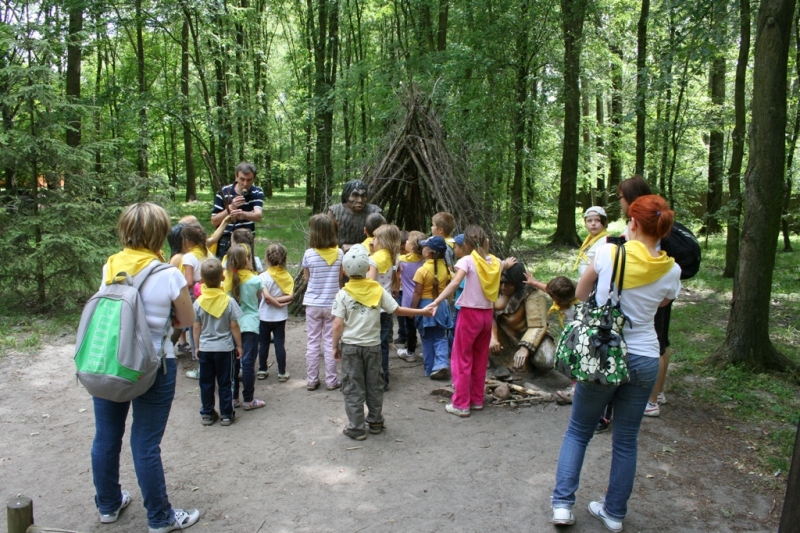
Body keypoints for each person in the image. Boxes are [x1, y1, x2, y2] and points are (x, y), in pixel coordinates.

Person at [550, 194, 682, 531]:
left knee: (578, 431)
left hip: (602, 355)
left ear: (633, 223)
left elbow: (580, 293)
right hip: (645, 357)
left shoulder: (608, 252)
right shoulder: (672, 268)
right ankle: (614, 513)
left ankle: (563, 506)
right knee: (626, 440)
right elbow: (664, 301)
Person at [90, 202, 200, 533]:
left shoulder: (111, 266)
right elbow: (187, 319)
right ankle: (160, 518)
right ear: (160, 234)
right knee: (146, 442)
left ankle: (108, 505)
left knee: (106, 435)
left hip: (110, 361)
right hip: (152, 365)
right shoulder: (167, 273)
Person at [331, 244, 434, 440]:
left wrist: (334, 346)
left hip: (351, 348)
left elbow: (337, 324)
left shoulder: (343, 294)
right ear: (367, 268)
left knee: (353, 386)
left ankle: (357, 428)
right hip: (373, 346)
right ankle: (376, 421)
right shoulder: (376, 289)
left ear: (344, 270)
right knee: (374, 384)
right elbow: (397, 310)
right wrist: (422, 311)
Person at [425, 225, 504, 418]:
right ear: (486, 241)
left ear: (467, 244)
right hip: (487, 315)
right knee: (479, 358)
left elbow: (454, 283)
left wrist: (436, 301)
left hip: (469, 314)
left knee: (461, 359)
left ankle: (461, 403)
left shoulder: (467, 261)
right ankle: (476, 400)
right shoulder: (496, 262)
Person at [193, 258, 243, 426]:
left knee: (206, 382)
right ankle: (226, 414)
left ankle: (207, 412)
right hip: (225, 348)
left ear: (201, 280)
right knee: (225, 382)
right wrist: (239, 345)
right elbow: (234, 325)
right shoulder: (229, 301)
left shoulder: (198, 303)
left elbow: (196, 327)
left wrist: (197, 346)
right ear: (222, 278)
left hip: (206, 349)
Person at [302, 214, 343, 391]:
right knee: (330, 342)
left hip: (312, 303)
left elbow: (306, 277)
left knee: (312, 342)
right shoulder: (340, 253)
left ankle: (312, 380)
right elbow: (340, 278)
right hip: (333, 303)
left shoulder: (309, 254)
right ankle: (331, 380)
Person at [223, 244, 267, 411]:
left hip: (232, 325)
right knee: (248, 363)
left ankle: (234, 397)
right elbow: (258, 299)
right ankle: (248, 399)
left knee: (233, 362)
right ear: (245, 261)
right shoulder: (256, 280)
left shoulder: (226, 280)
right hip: (250, 325)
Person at [490, 263, 553, 374]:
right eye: (501, 283)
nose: (503, 287)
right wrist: (493, 338)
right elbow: (488, 315)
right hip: (504, 334)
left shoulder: (533, 294)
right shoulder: (495, 291)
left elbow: (537, 325)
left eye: (508, 284)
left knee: (546, 359)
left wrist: (525, 347)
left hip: (531, 335)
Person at [411, 236, 453, 379]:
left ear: (428, 253)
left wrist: (413, 309)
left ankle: (429, 368)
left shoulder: (422, 271)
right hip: (442, 306)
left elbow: (417, 293)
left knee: (427, 337)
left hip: (425, 306)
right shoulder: (447, 269)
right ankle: (441, 364)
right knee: (440, 336)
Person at [367, 224, 401, 390]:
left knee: (371, 344)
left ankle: (373, 379)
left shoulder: (373, 259)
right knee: (383, 345)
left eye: (375, 238)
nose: (372, 240)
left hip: (373, 308)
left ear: (383, 240)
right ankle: (384, 379)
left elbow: (370, 283)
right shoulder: (393, 257)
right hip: (386, 307)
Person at [210, 162, 264, 259]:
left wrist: (243, 215)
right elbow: (214, 221)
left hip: (246, 239)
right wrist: (231, 208)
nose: (245, 183)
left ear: (254, 179)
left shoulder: (257, 192)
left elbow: (258, 216)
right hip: (226, 240)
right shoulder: (223, 192)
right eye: (242, 179)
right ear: (236, 176)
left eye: (249, 180)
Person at [258, 244, 294, 381]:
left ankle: (262, 369)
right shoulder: (287, 277)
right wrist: (279, 302)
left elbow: (265, 297)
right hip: (280, 317)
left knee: (263, 344)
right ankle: (282, 372)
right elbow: (290, 296)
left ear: (266, 259)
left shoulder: (263, 276)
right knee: (279, 343)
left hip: (264, 316)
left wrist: (273, 301)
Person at [181, 223, 210, 379]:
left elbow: (189, 281)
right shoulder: (208, 254)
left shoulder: (189, 257)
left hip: (195, 298)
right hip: (210, 296)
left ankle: (200, 367)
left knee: (195, 332)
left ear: (187, 241)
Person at [327, 179, 382, 251]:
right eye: (355, 195)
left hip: (368, 256)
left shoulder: (374, 211)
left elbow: (382, 240)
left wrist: (355, 247)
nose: (360, 200)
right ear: (346, 197)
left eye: (363, 196)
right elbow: (326, 239)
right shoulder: (334, 212)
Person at [396, 230, 426, 361]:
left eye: (407, 240)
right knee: (424, 327)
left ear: (412, 246)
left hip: (408, 301)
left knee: (410, 328)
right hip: (424, 300)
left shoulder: (401, 261)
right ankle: (427, 351)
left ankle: (410, 352)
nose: (405, 242)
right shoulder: (426, 261)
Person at [575, 206, 609, 277]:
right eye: (589, 221)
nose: (593, 223)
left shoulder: (607, 241)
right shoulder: (588, 240)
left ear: (605, 222)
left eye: (597, 220)